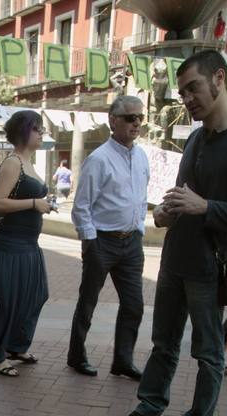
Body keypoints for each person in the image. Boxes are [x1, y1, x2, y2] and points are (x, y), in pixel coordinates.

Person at [114, 50, 227, 416]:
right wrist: (165, 214)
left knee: (208, 353)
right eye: (182, 92)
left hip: (209, 267)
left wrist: (206, 207)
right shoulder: (197, 137)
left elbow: (201, 204)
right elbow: (183, 197)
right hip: (174, 259)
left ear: (219, 77)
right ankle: (151, 408)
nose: (187, 99)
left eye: (193, 88)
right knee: (163, 342)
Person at [68, 96, 149, 380]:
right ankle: (76, 356)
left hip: (131, 244)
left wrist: (138, 227)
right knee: (88, 302)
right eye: (129, 117)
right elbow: (82, 206)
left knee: (134, 305)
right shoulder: (99, 159)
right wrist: (90, 241)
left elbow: (141, 198)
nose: (136, 122)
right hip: (102, 241)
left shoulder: (141, 156)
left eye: (140, 117)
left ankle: (122, 361)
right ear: (112, 120)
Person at [0, 112, 53, 377]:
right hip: (11, 243)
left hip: (29, 243)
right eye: (37, 129)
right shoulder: (13, 162)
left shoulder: (28, 161)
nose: (41, 134)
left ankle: (17, 346)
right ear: (24, 131)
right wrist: (35, 203)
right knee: (10, 302)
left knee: (37, 295)